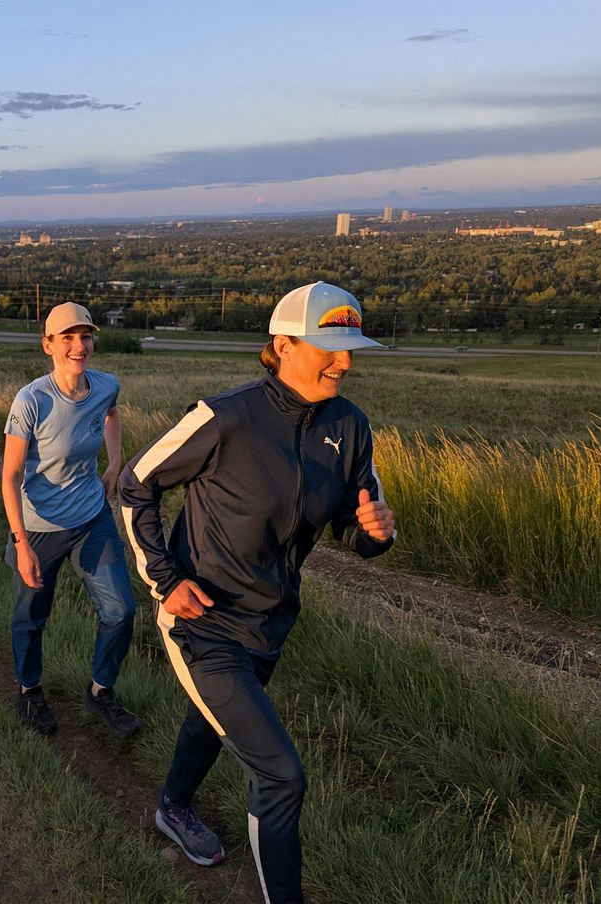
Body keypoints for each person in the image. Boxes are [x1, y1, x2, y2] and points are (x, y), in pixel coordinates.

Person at [118, 282, 396, 903]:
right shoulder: (226, 416)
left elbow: (358, 527)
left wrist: (378, 532)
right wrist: (164, 580)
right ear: (282, 345)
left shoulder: (350, 427)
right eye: (329, 347)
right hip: (203, 624)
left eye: (351, 348)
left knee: (212, 719)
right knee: (280, 775)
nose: (345, 362)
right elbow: (137, 483)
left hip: (271, 624)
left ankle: (173, 804)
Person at [1, 302, 140, 737]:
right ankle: (29, 691)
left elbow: (113, 416)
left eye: (85, 337)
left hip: (91, 518)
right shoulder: (32, 400)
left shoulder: (105, 386)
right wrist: (22, 546)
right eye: (68, 338)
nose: (79, 346)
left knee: (120, 610)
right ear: (48, 345)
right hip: (39, 529)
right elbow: (8, 478)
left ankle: (101, 692)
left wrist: (114, 464)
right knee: (31, 617)